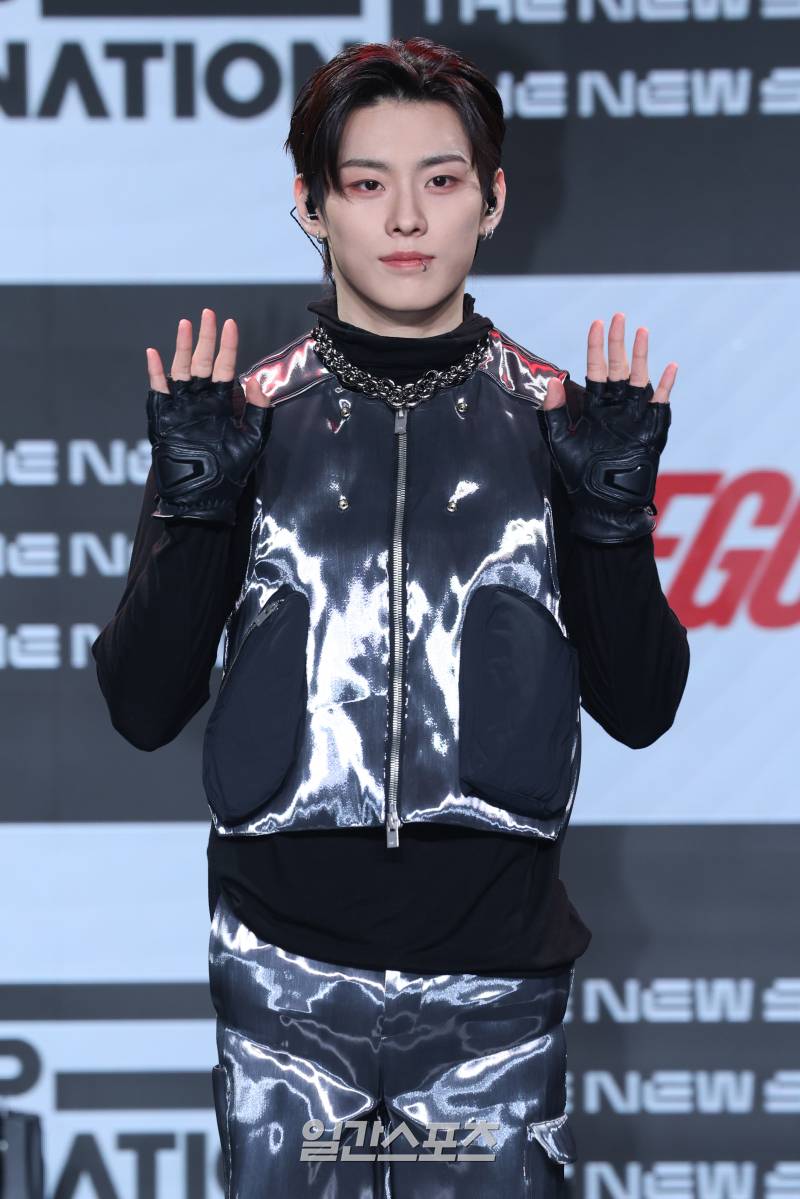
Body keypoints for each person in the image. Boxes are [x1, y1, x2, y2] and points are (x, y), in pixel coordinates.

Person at [92, 36, 690, 1199]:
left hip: (496, 978)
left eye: (440, 179)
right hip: (281, 974)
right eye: (366, 182)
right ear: (311, 206)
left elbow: (639, 706)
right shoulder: (236, 420)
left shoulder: (564, 424)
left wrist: (613, 522)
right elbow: (141, 704)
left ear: (491, 199)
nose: (406, 217)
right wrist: (196, 507)